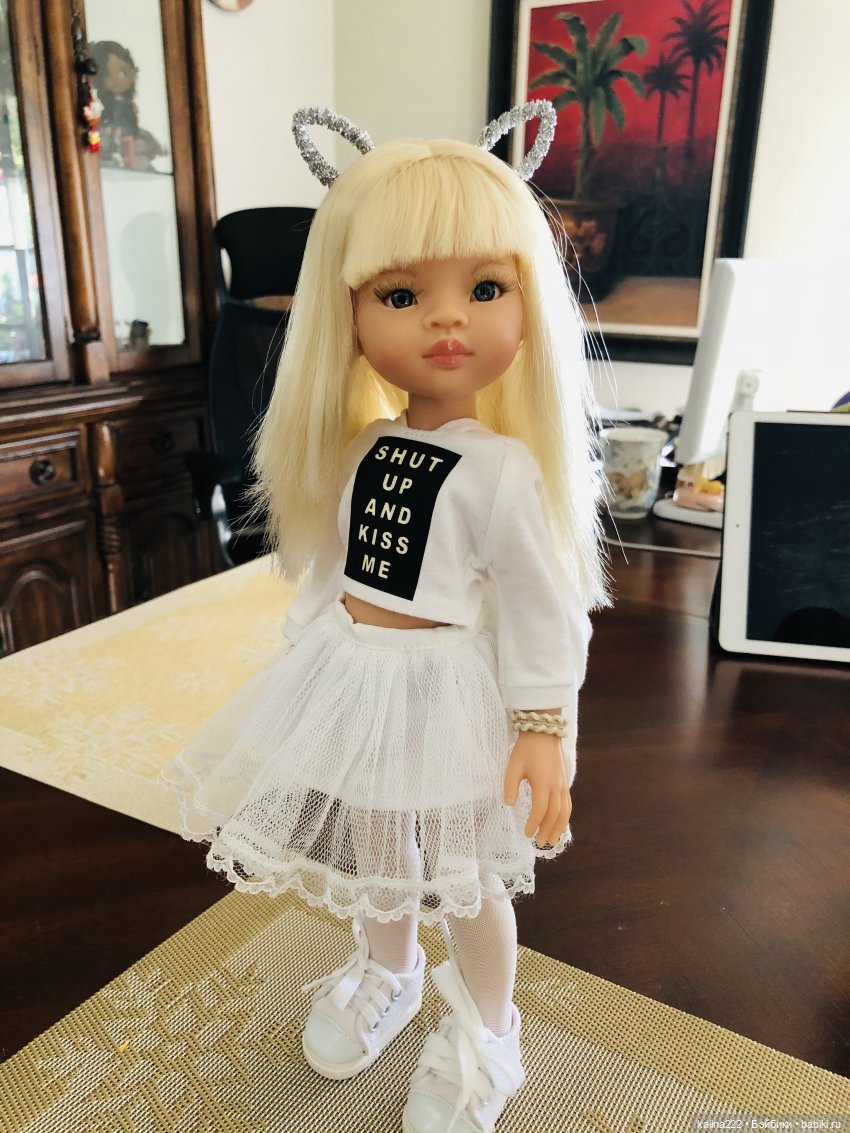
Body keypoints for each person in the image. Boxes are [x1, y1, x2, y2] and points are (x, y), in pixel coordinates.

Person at [162, 102, 608, 1133]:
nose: (447, 321)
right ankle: (390, 970)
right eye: (402, 295)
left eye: (485, 289)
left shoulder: (504, 472)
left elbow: (542, 609)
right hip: (354, 675)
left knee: (468, 877)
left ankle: (488, 1028)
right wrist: (305, 662)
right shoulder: (364, 447)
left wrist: (543, 726)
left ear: (527, 305)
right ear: (351, 316)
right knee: (376, 851)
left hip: (450, 690)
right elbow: (335, 566)